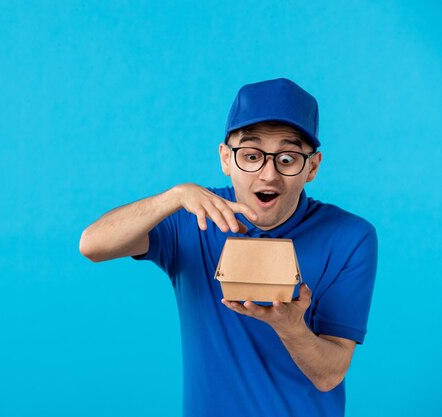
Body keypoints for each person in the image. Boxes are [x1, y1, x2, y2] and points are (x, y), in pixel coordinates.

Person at [79, 78, 377, 417]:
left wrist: (290, 326)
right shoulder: (192, 218)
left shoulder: (350, 236)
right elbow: (92, 245)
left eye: (287, 158)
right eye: (251, 155)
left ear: (311, 166)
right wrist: (173, 197)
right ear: (226, 158)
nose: (268, 174)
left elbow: (329, 375)